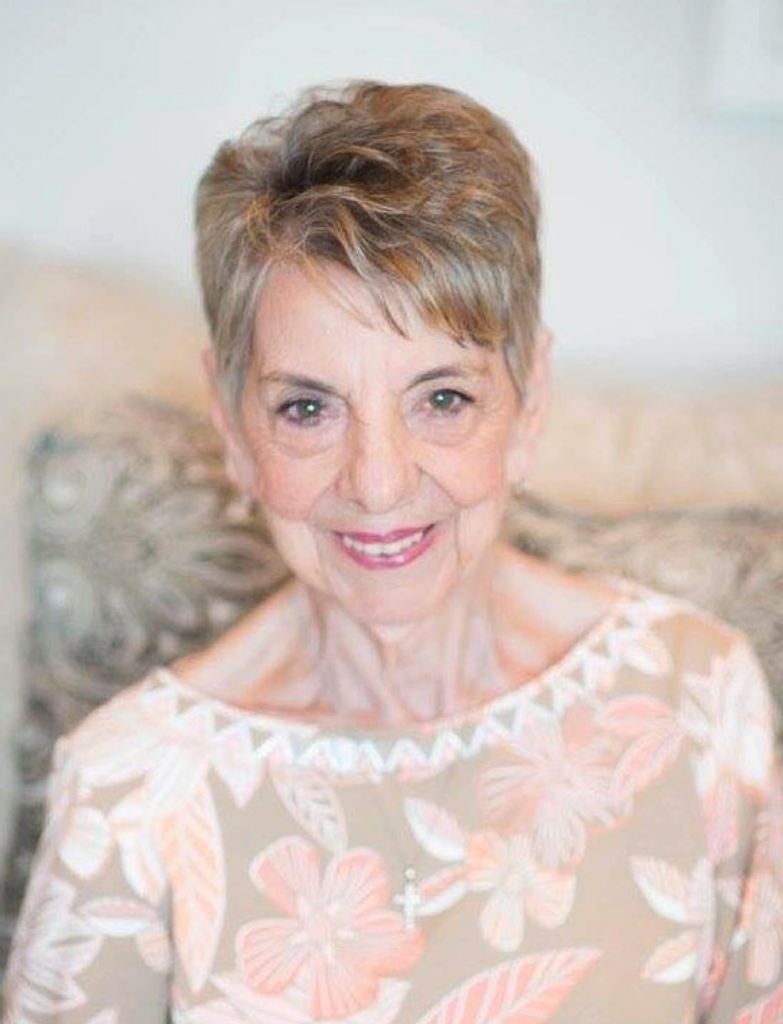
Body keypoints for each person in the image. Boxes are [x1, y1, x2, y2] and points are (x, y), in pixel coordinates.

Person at [2, 79, 782, 1024]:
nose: (377, 484)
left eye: (441, 398)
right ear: (234, 426)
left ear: (529, 404)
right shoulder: (127, 790)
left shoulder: (694, 697)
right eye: (308, 408)